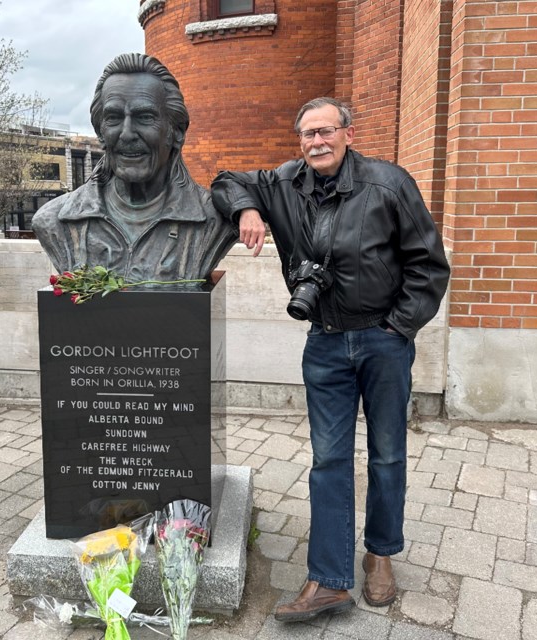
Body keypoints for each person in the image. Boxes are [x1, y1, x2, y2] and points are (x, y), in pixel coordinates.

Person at [211, 97, 450, 622]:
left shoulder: (388, 184)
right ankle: (329, 579)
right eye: (307, 134)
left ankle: (380, 555)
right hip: (324, 342)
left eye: (325, 131)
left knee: (387, 454)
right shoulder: (285, 183)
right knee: (328, 461)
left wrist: (397, 327)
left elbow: (429, 264)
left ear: (347, 132)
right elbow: (225, 179)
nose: (316, 142)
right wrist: (248, 208)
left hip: (383, 341)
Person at [32, 53, 238, 283]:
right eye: (114, 118)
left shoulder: (212, 220)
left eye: (144, 117)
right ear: (101, 133)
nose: (127, 133)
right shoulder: (55, 220)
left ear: (176, 132)